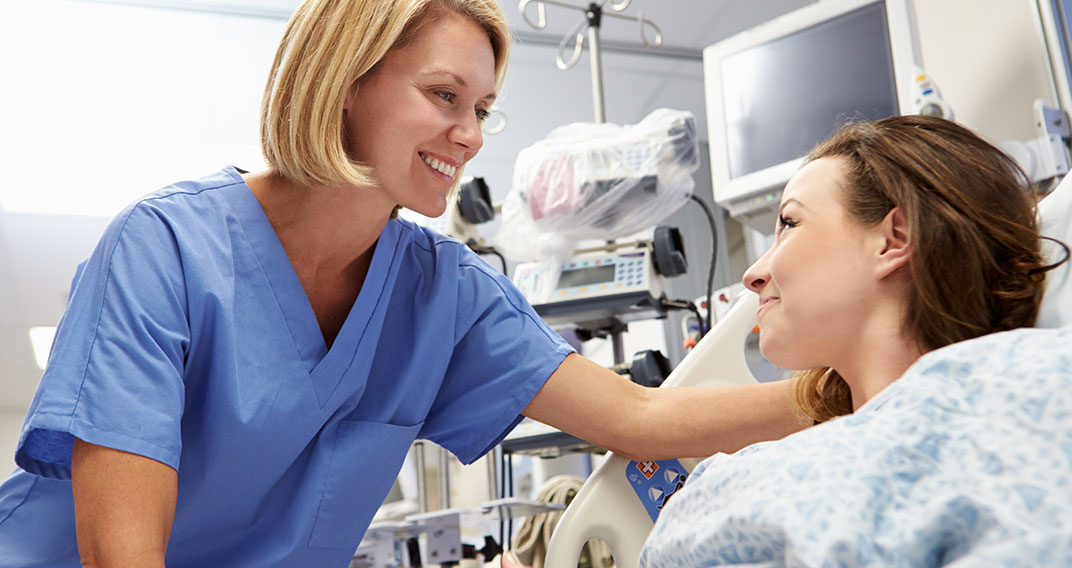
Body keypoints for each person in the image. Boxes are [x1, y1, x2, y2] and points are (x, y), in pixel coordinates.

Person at [0, 1, 810, 566]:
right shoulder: (165, 249)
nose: (471, 136)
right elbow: (121, 554)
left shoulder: (442, 294)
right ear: (346, 82)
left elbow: (642, 417)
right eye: (444, 96)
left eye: (484, 108)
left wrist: (855, 386)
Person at [629, 115, 1072, 566]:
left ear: (893, 240)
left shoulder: (1034, 392)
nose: (753, 274)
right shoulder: (767, 471)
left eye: (789, 222)